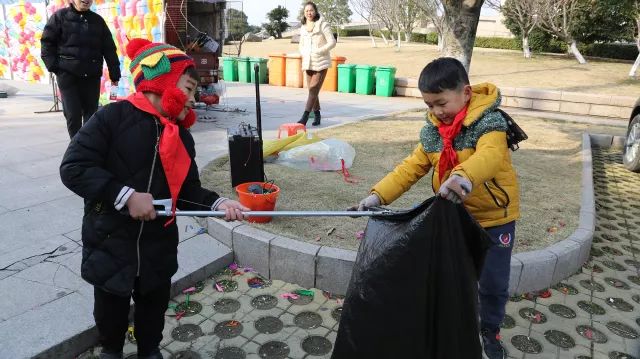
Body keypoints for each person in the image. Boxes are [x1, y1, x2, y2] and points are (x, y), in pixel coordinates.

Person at [59, 38, 249, 359]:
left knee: (153, 308)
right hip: (111, 242)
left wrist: (218, 204)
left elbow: (187, 192)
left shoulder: (181, 137)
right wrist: (125, 195)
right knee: (110, 310)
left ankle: (149, 350)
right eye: (188, 88)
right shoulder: (111, 119)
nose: (193, 98)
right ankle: (111, 350)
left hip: (157, 247)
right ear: (161, 82)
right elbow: (74, 166)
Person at [353, 57, 520, 359]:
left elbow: (491, 157)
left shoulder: (490, 123)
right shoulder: (432, 132)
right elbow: (410, 169)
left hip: (495, 220)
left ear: (466, 93)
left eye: (441, 103)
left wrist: (462, 178)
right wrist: (377, 197)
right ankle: (454, 325)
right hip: (455, 219)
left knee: (493, 283)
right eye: (429, 105)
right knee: (453, 279)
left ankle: (490, 330)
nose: (436, 112)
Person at [41, 0, 121, 139]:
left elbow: (109, 49)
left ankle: (87, 149)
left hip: (91, 76)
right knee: (73, 115)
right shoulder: (59, 17)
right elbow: (47, 43)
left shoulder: (98, 21)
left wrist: (115, 75)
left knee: (91, 117)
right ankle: (76, 149)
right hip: (68, 76)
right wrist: (55, 67)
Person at [297, 1, 336, 127]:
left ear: (315, 11)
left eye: (311, 10)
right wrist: (303, 53)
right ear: (304, 13)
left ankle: (305, 116)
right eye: (307, 10)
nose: (309, 12)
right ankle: (317, 114)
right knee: (312, 91)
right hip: (308, 63)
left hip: (321, 62)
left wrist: (319, 51)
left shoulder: (322, 24)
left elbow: (332, 42)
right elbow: (301, 45)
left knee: (313, 90)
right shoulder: (303, 27)